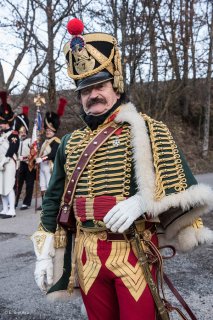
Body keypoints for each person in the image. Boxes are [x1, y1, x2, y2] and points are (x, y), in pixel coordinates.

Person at [31, 18, 213, 320]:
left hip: (133, 250)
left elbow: (182, 188)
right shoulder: (70, 143)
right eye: (85, 90)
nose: (93, 95)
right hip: (86, 255)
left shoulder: (148, 129)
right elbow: (54, 201)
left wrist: (145, 201)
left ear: (115, 86)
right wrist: (44, 252)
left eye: (99, 85)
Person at [35, 98, 67, 209]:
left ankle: (51, 204)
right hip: (42, 167)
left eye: (50, 131)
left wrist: (42, 159)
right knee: (43, 186)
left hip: (49, 166)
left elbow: (53, 155)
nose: (48, 132)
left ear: (54, 131)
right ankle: (44, 203)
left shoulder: (56, 141)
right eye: (47, 130)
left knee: (49, 186)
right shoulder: (44, 142)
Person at [0, 91, 19, 219]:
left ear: (7, 122)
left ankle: (11, 209)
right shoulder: (1, 134)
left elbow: (12, 148)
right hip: (1, 163)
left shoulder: (13, 134)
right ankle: (5, 208)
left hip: (9, 162)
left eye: (2, 122)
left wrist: (4, 160)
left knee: (8, 186)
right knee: (1, 187)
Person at [15, 106, 36, 210]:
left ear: (26, 132)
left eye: (23, 131)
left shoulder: (31, 140)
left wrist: (26, 157)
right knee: (17, 183)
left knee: (29, 184)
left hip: (29, 164)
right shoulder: (16, 141)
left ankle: (26, 202)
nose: (22, 133)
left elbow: (34, 152)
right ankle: (14, 201)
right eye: (20, 131)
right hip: (19, 165)